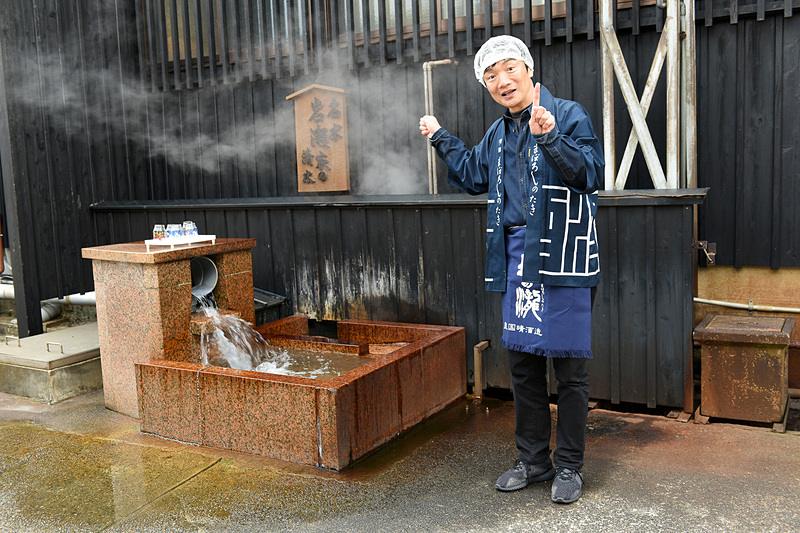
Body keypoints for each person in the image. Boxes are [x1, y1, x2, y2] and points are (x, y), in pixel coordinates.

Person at [419, 35, 604, 504]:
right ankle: (534, 459)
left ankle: (569, 466)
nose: (502, 81)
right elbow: (473, 175)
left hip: (563, 256)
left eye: (508, 69)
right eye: (491, 75)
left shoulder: (568, 113)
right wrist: (440, 136)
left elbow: (589, 174)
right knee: (522, 367)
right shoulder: (497, 134)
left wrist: (550, 138)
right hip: (518, 256)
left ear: (528, 68)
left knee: (570, 372)